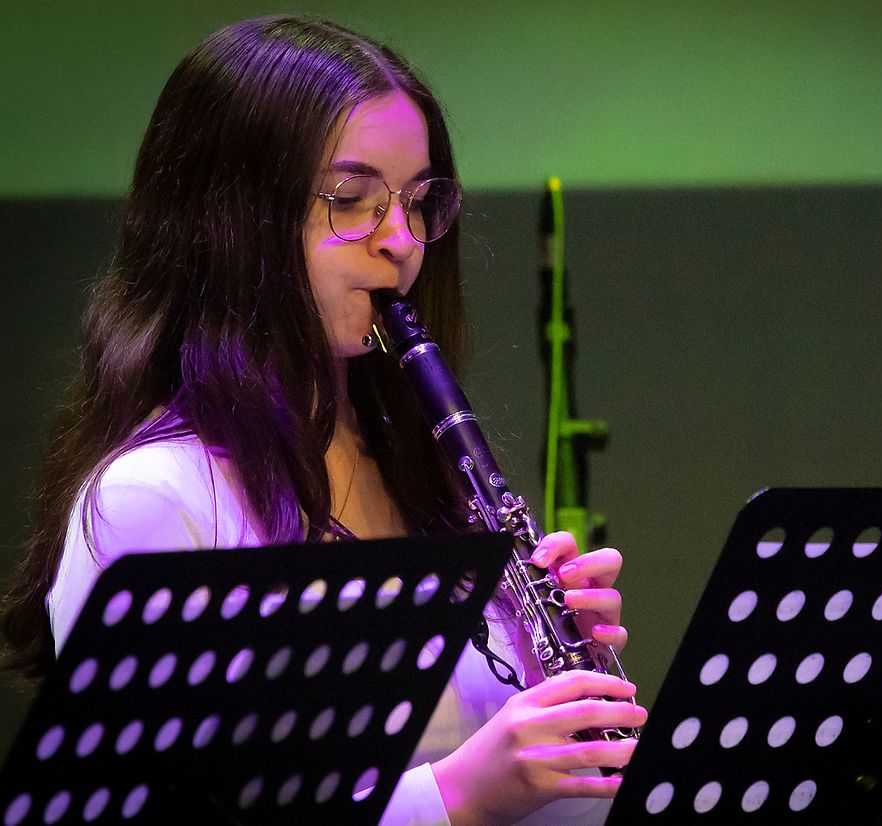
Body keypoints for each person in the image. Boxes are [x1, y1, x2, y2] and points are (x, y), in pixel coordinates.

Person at [0, 15, 644, 826]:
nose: (402, 243)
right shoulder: (157, 498)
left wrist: (562, 692)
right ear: (227, 218)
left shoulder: (425, 472)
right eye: (352, 200)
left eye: (418, 203)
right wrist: (458, 796)